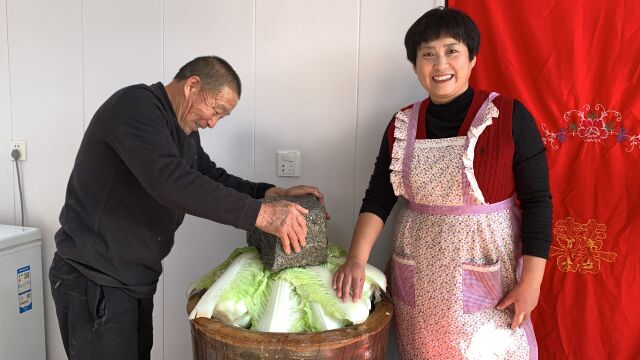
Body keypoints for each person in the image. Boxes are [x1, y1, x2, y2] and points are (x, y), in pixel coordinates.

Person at [49, 56, 325, 359]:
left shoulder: (183, 132)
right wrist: (262, 214)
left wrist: (270, 193)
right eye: (215, 110)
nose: (212, 123)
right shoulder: (136, 106)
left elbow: (208, 176)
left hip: (133, 279)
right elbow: (170, 182)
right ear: (192, 85)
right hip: (95, 278)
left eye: (222, 117)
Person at [332, 7, 551, 359]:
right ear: (415, 65)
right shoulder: (402, 123)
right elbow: (379, 195)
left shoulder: (509, 116)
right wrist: (357, 259)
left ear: (472, 58)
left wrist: (532, 282)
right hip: (419, 274)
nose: (440, 64)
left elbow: (538, 202)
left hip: (491, 275)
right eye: (427, 54)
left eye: (452, 51)